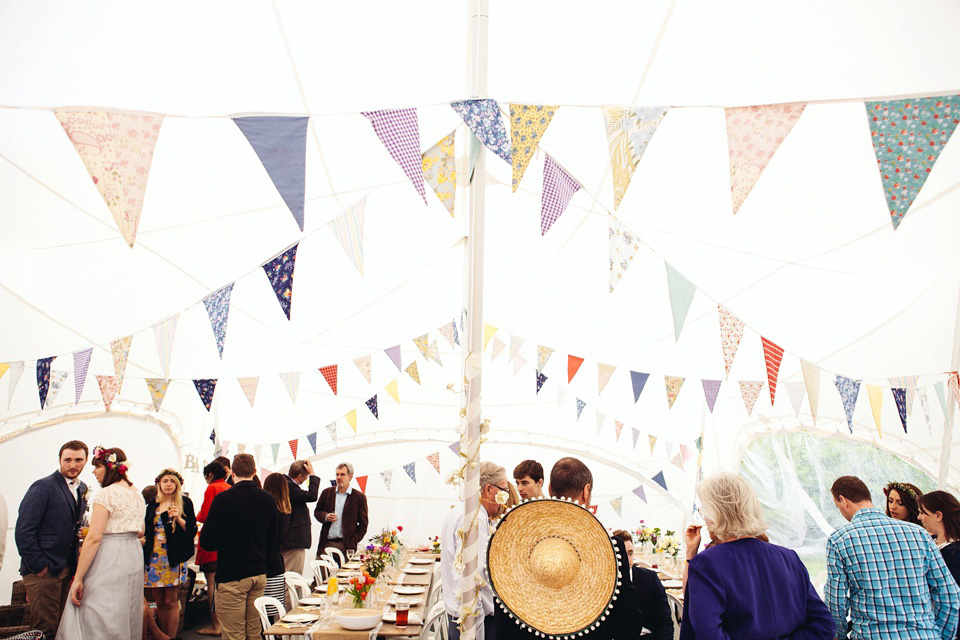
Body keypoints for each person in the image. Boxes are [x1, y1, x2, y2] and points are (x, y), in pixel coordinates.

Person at [494, 456, 640, 640]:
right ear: (586, 491)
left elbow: (504, 624)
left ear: (548, 489)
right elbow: (628, 625)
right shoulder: (613, 547)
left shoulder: (514, 542)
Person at [678, 473, 833, 639]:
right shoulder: (789, 558)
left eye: (703, 510)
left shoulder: (708, 563)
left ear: (714, 513)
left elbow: (707, 634)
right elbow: (824, 625)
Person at [827, 475, 959, 639]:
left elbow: (836, 601)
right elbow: (950, 594)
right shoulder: (919, 534)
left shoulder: (839, 539)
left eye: (837, 506)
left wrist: (839, 635)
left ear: (843, 500)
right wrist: (941, 636)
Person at [58, 446, 146, 640]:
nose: (94, 472)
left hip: (111, 555)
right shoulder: (137, 493)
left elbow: (94, 538)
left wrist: (78, 578)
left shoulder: (107, 493)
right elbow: (141, 531)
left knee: (96, 609)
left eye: (97, 467)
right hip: (132, 553)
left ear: (110, 467)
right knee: (124, 609)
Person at [199, 454, 279, 640]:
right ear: (254, 472)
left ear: (232, 473)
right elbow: (273, 541)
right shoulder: (268, 499)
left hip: (232, 575)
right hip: (258, 573)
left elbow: (207, 541)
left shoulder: (223, 499)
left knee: (234, 635)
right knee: (254, 632)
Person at [15, 440, 89, 639]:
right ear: (59, 460)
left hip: (67, 567)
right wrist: (40, 566)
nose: (73, 464)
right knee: (44, 630)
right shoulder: (42, 487)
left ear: (86, 461)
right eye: (68, 460)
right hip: (43, 570)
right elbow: (24, 531)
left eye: (78, 460)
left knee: (60, 628)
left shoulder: (83, 488)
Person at [442, 461, 507, 640]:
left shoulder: (458, 512)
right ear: (488, 490)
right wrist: (476, 632)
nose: (506, 497)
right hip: (472, 622)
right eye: (504, 490)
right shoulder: (475, 519)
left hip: (459, 617)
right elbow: (474, 578)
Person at [143, 469, 197, 639]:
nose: (168, 485)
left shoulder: (184, 503)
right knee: (159, 601)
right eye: (165, 481)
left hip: (173, 557)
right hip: (153, 557)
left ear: (177, 484)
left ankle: (172, 636)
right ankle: (163, 635)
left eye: (172, 481)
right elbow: (146, 528)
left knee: (170, 601)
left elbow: (192, 530)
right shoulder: (153, 504)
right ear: (159, 483)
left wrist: (179, 518)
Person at [611, 530, 673, 640]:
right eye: (623, 555)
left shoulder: (650, 579)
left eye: (630, 553)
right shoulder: (605, 586)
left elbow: (665, 621)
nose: (628, 559)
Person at [195, 461, 231, 636]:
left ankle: (216, 624)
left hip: (213, 541)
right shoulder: (229, 487)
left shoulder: (213, 488)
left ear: (209, 475)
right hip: (228, 541)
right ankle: (224, 624)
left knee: (212, 584)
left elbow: (205, 515)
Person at [314, 462, 368, 561]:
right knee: (321, 575)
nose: (339, 477)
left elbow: (363, 524)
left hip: (346, 546)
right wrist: (326, 516)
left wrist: (353, 540)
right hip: (326, 543)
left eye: (342, 474)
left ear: (350, 476)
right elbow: (317, 512)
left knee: (344, 575)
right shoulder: (327, 493)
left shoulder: (359, 497)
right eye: (337, 474)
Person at [919, 491, 960, 607]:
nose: (919, 517)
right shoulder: (930, 541)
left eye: (923, 513)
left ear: (938, 516)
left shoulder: (954, 553)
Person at [282, 460, 320, 575]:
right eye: (306, 477)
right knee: (293, 575)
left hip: (289, 540)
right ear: (300, 476)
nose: (305, 480)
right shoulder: (290, 487)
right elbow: (312, 496)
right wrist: (313, 474)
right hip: (294, 541)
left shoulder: (285, 484)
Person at [263, 473, 292, 617]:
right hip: (277, 566)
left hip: (266, 565)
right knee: (274, 612)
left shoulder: (270, 513)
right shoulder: (286, 512)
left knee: (264, 613)